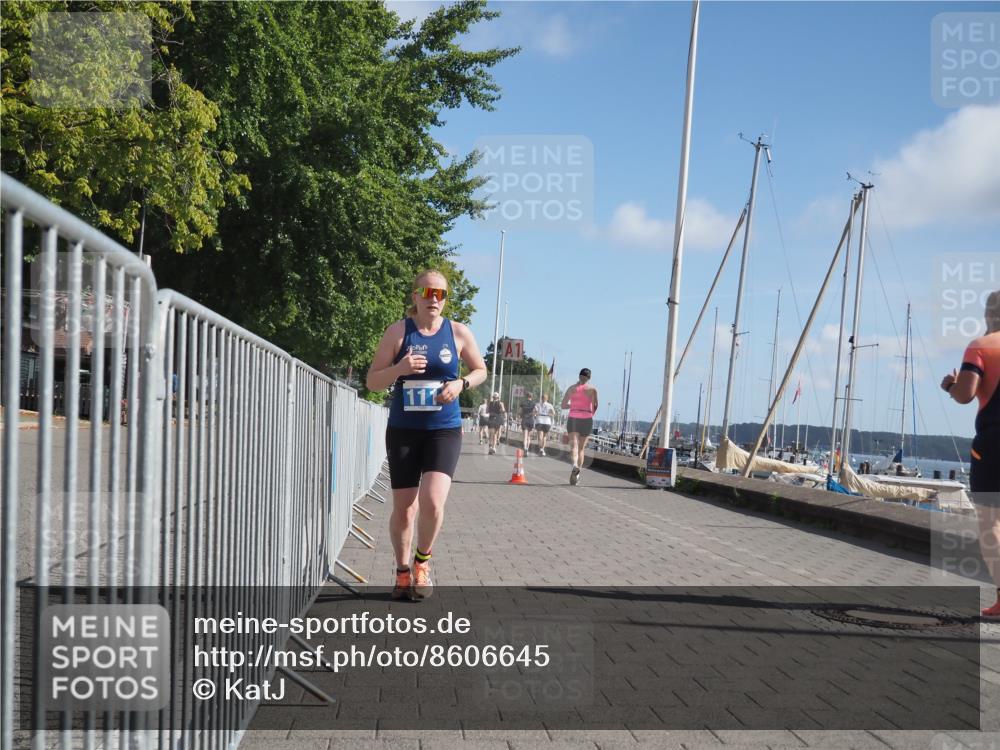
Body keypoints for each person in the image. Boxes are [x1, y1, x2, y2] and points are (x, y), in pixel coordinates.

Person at [366, 269, 487, 601]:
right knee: (405, 509)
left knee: (433, 501)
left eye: (441, 294)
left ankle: (423, 563)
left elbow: (481, 370)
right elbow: (372, 381)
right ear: (415, 297)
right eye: (428, 292)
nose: (435, 299)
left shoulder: (458, 333)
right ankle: (402, 571)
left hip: (443, 430)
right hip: (404, 431)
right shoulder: (398, 332)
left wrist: (460, 383)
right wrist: (399, 370)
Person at [942, 289, 1000, 617]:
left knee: (992, 522)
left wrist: (950, 385)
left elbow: (966, 394)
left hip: (993, 444)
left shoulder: (981, 346)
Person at [561, 368, 599, 485]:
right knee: (581, 449)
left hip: (573, 418)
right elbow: (596, 405)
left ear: (579, 376)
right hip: (587, 419)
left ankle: (574, 466)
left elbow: (563, 405)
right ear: (589, 378)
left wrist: (573, 406)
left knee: (574, 447)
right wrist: (590, 413)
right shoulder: (593, 390)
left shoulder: (571, 388)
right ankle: (577, 474)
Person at [519, 391, 537, 455]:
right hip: (530, 420)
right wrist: (533, 414)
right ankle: (527, 448)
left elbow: (520, 411)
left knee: (525, 436)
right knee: (529, 436)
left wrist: (521, 416)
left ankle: (524, 448)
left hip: (524, 419)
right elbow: (536, 411)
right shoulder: (534, 403)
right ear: (531, 397)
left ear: (526, 396)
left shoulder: (523, 403)